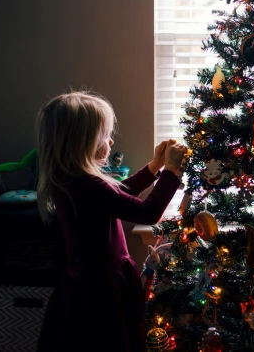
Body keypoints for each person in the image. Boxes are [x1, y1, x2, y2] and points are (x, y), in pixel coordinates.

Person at [35, 91, 187, 352]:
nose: (111, 140)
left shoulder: (73, 179)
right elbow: (148, 213)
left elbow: (119, 194)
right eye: (104, 136)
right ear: (82, 142)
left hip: (88, 284)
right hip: (100, 291)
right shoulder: (87, 184)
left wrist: (154, 167)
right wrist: (171, 172)